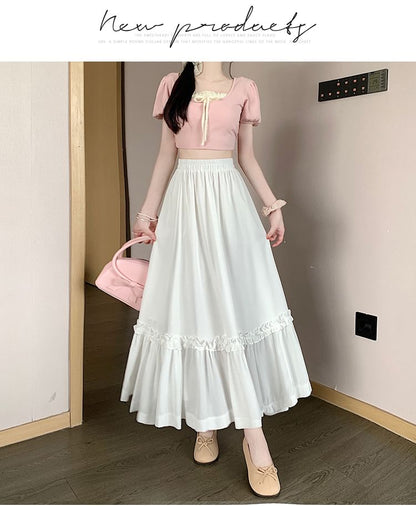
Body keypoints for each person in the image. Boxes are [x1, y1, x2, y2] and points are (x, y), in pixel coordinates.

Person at [120, 61, 312, 497]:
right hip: (184, 206)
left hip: (229, 204)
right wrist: (147, 213)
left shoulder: (244, 88)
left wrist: (272, 206)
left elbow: (246, 157)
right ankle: (205, 421)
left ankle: (253, 438)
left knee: (233, 312)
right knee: (194, 311)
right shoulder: (173, 84)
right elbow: (166, 155)